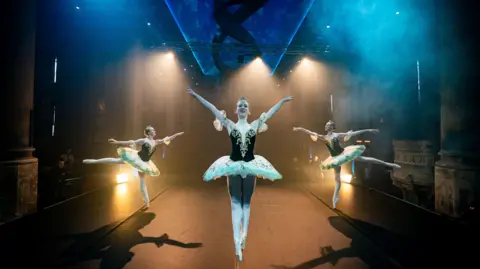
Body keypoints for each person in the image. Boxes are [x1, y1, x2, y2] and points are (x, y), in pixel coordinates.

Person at [186, 88, 292, 262]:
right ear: (236, 110)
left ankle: (244, 238)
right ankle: (237, 243)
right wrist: (197, 96)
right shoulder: (229, 124)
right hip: (233, 166)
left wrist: (281, 102)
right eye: (240, 105)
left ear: (248, 110)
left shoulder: (256, 124)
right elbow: (212, 108)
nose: (242, 107)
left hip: (251, 165)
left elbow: (271, 113)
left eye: (245, 105)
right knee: (235, 204)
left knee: (246, 204)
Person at [293, 120, 400, 208]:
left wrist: (368, 129)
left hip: (344, 153)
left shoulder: (337, 135)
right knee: (337, 179)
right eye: (325, 124)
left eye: (328, 125)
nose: (326, 126)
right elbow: (311, 132)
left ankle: (389, 164)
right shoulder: (324, 137)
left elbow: (352, 133)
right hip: (335, 159)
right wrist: (300, 129)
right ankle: (335, 198)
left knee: (365, 159)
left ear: (332, 127)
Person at [83, 126, 184, 208]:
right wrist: (116, 141)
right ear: (149, 133)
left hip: (145, 163)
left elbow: (168, 138)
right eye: (153, 130)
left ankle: (147, 202)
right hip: (136, 158)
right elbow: (129, 142)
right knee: (116, 161)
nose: (155, 131)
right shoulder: (143, 140)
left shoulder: (156, 141)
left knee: (142, 181)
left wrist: (177, 134)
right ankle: (93, 161)